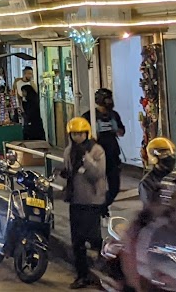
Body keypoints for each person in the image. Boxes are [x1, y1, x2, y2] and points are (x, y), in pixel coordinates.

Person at [57, 116, 108, 289]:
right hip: (76, 201)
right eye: (74, 134)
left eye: (80, 134)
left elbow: (97, 174)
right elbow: (70, 172)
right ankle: (82, 275)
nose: (77, 137)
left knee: (94, 238)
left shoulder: (96, 150)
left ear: (87, 133)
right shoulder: (69, 151)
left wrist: (86, 159)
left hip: (92, 201)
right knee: (77, 241)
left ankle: (105, 272)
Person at [91, 88, 126, 206]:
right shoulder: (90, 115)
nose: (110, 102)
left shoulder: (114, 115)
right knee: (96, 187)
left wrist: (116, 129)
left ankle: (104, 205)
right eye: (107, 99)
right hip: (96, 157)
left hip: (112, 155)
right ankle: (98, 207)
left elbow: (122, 132)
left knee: (114, 187)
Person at [138, 137, 176, 207]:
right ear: (154, 158)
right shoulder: (147, 183)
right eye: (165, 154)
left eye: (171, 154)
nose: (170, 158)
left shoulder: (175, 177)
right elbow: (150, 208)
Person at [19, 67, 44, 142]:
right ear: (25, 73)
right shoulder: (18, 83)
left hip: (34, 125)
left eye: (32, 74)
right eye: (29, 73)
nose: (31, 75)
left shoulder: (33, 101)